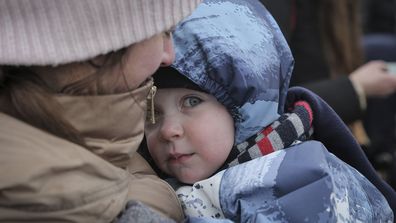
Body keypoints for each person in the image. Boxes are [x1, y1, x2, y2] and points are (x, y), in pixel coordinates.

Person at [142, 0, 395, 222]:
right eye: (152, 111)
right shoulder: (155, 179)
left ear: (244, 107)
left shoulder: (301, 183)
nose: (167, 130)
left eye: (192, 102)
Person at [0, 1, 202, 222]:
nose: (169, 55)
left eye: (192, 102)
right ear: (96, 43)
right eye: (163, 31)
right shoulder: (58, 204)